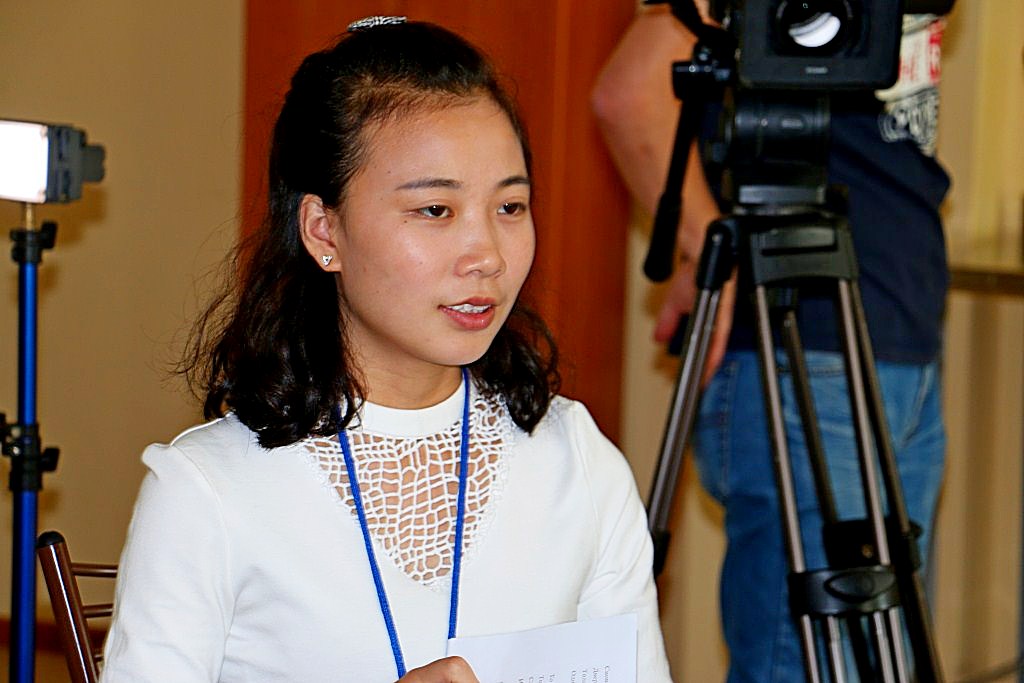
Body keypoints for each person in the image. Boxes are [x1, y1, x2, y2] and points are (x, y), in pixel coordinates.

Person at [100, 18, 672, 683]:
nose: (487, 255)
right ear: (324, 231)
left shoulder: (577, 460)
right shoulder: (208, 489)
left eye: (511, 207)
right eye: (435, 211)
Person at [592, 3, 950, 682]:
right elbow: (630, 93)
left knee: (882, 655)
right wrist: (707, 247)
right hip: (801, 345)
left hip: (899, 334)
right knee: (808, 664)